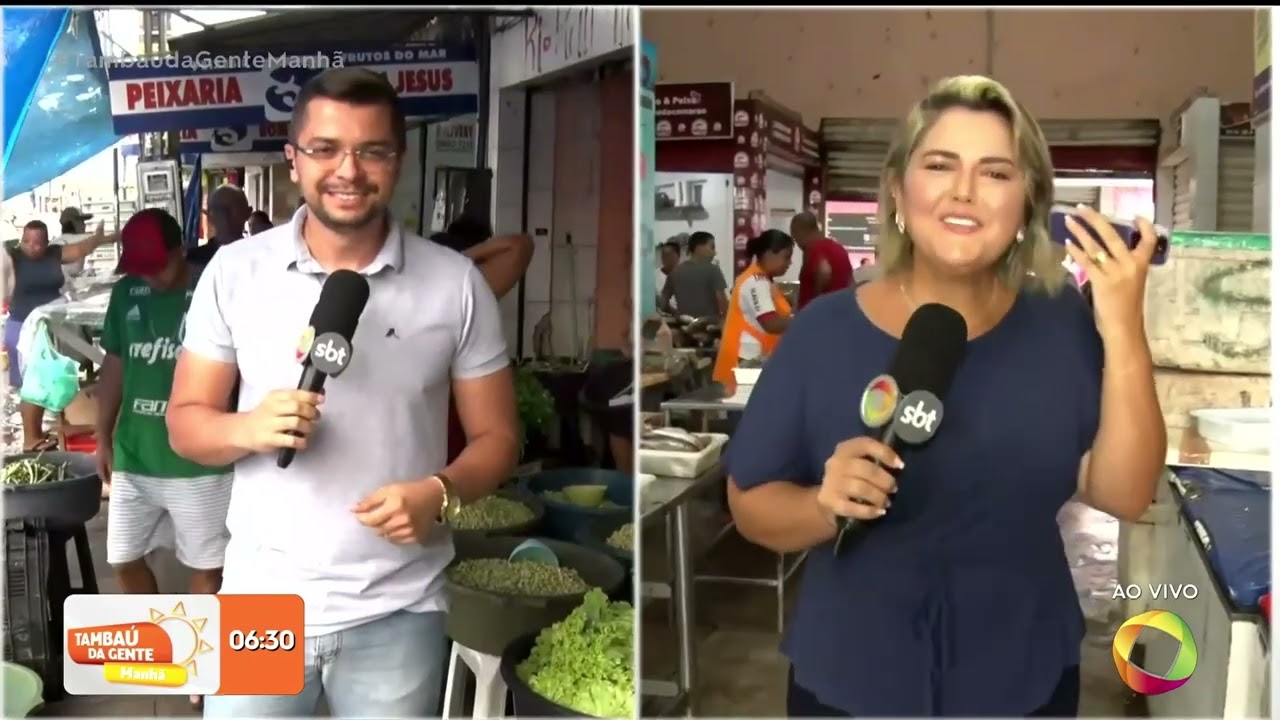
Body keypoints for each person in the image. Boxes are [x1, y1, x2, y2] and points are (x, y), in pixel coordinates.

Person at [723, 75, 1165, 717]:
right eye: (939, 165)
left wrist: (1123, 328)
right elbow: (750, 502)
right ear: (900, 190)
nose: (963, 191)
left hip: (1022, 675)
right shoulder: (823, 331)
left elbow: (1123, 492)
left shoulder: (1062, 321)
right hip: (853, 678)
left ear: (1026, 204)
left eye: (995, 173)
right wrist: (825, 504)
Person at [166, 67, 518, 718]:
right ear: (293, 160)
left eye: (371, 150)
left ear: (399, 161)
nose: (347, 170)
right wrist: (247, 427)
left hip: (402, 608)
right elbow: (185, 426)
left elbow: (498, 439)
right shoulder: (235, 272)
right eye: (326, 149)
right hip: (259, 601)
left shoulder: (456, 284)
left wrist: (440, 494)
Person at [94, 208, 232, 710]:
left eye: (159, 266)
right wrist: (102, 436)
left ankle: (197, 662)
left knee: (205, 564)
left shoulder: (213, 294)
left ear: (180, 251)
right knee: (123, 559)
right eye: (140, 269)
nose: (149, 278)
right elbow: (114, 367)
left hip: (200, 461)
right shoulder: (126, 294)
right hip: (136, 453)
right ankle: (166, 642)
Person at [428, 213, 533, 464]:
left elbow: (520, 244)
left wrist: (456, 262)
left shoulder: (471, 287)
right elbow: (518, 245)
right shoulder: (422, 290)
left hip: (462, 409)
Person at [3, 219, 116, 451]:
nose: (31, 247)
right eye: (26, 241)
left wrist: (99, 238)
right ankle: (30, 438)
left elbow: (81, 249)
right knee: (31, 386)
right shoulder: (12, 258)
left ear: (47, 242)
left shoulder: (54, 254)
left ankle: (37, 434)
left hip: (49, 325)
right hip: (23, 326)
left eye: (38, 243)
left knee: (45, 381)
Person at [710, 229, 794, 386]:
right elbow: (770, 323)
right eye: (786, 257)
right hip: (744, 366)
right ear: (769, 253)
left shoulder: (765, 281)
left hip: (754, 363)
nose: (790, 263)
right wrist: (807, 320)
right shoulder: (756, 282)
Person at [791, 211, 854, 310]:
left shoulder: (815, 249)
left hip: (820, 316)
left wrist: (815, 305)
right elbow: (851, 281)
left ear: (801, 231)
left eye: (795, 237)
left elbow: (824, 272)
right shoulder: (838, 248)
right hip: (839, 311)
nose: (797, 243)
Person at [660, 230, 727, 318]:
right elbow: (723, 305)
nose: (714, 253)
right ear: (699, 247)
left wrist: (676, 314)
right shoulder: (714, 270)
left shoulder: (674, 272)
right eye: (712, 247)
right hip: (709, 328)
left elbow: (663, 303)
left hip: (685, 327)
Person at [187, 185, 251, 268]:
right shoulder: (194, 260)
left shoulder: (262, 256)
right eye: (218, 209)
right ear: (208, 216)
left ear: (247, 213)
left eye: (230, 209)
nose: (224, 216)